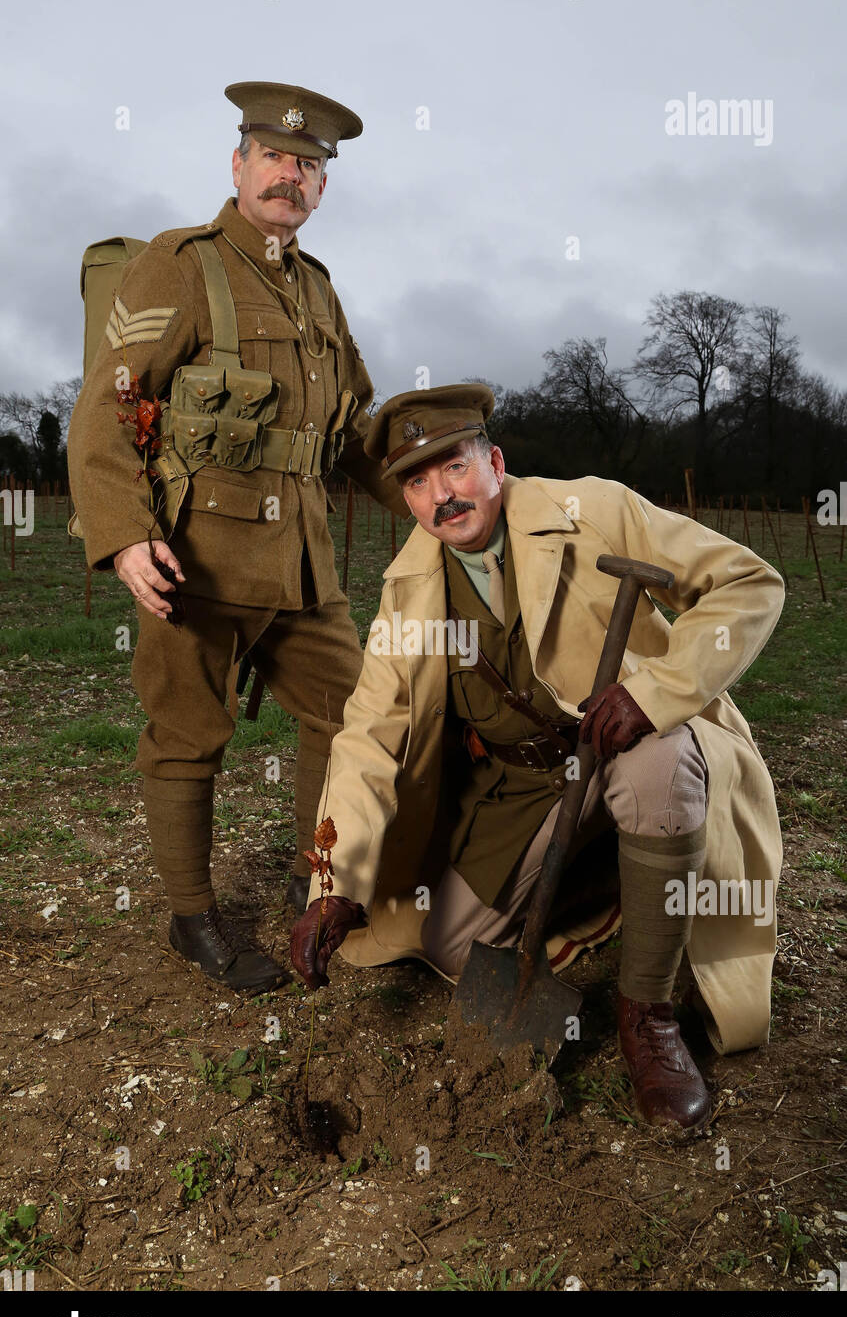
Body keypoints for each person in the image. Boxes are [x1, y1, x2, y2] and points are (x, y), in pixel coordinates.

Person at [289, 384, 785, 1131]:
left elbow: (748, 584)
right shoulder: (409, 592)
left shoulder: (596, 510)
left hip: (626, 747)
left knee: (659, 765)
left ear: (493, 461)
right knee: (452, 946)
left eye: (452, 468)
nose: (439, 497)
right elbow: (369, 735)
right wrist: (335, 879)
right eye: (416, 483)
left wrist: (656, 692)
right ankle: (622, 880)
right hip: (517, 786)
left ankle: (644, 1012)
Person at [68, 82, 405, 994]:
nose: (288, 176)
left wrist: (442, 497)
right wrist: (126, 538)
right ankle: (193, 918)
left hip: (301, 567)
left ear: (322, 188)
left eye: (308, 166)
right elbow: (103, 412)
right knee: (186, 734)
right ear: (238, 163)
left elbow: (355, 433)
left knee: (351, 716)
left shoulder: (318, 293)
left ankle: (317, 885)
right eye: (273, 157)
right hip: (196, 561)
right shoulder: (182, 264)